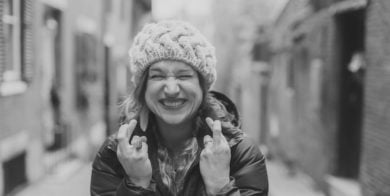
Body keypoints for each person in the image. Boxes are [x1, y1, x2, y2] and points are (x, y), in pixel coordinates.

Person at [90, 20, 268, 196]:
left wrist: (220, 186)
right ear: (143, 88)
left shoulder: (241, 153)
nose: (171, 89)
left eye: (184, 76)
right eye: (158, 76)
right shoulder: (113, 156)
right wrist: (136, 184)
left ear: (203, 87)